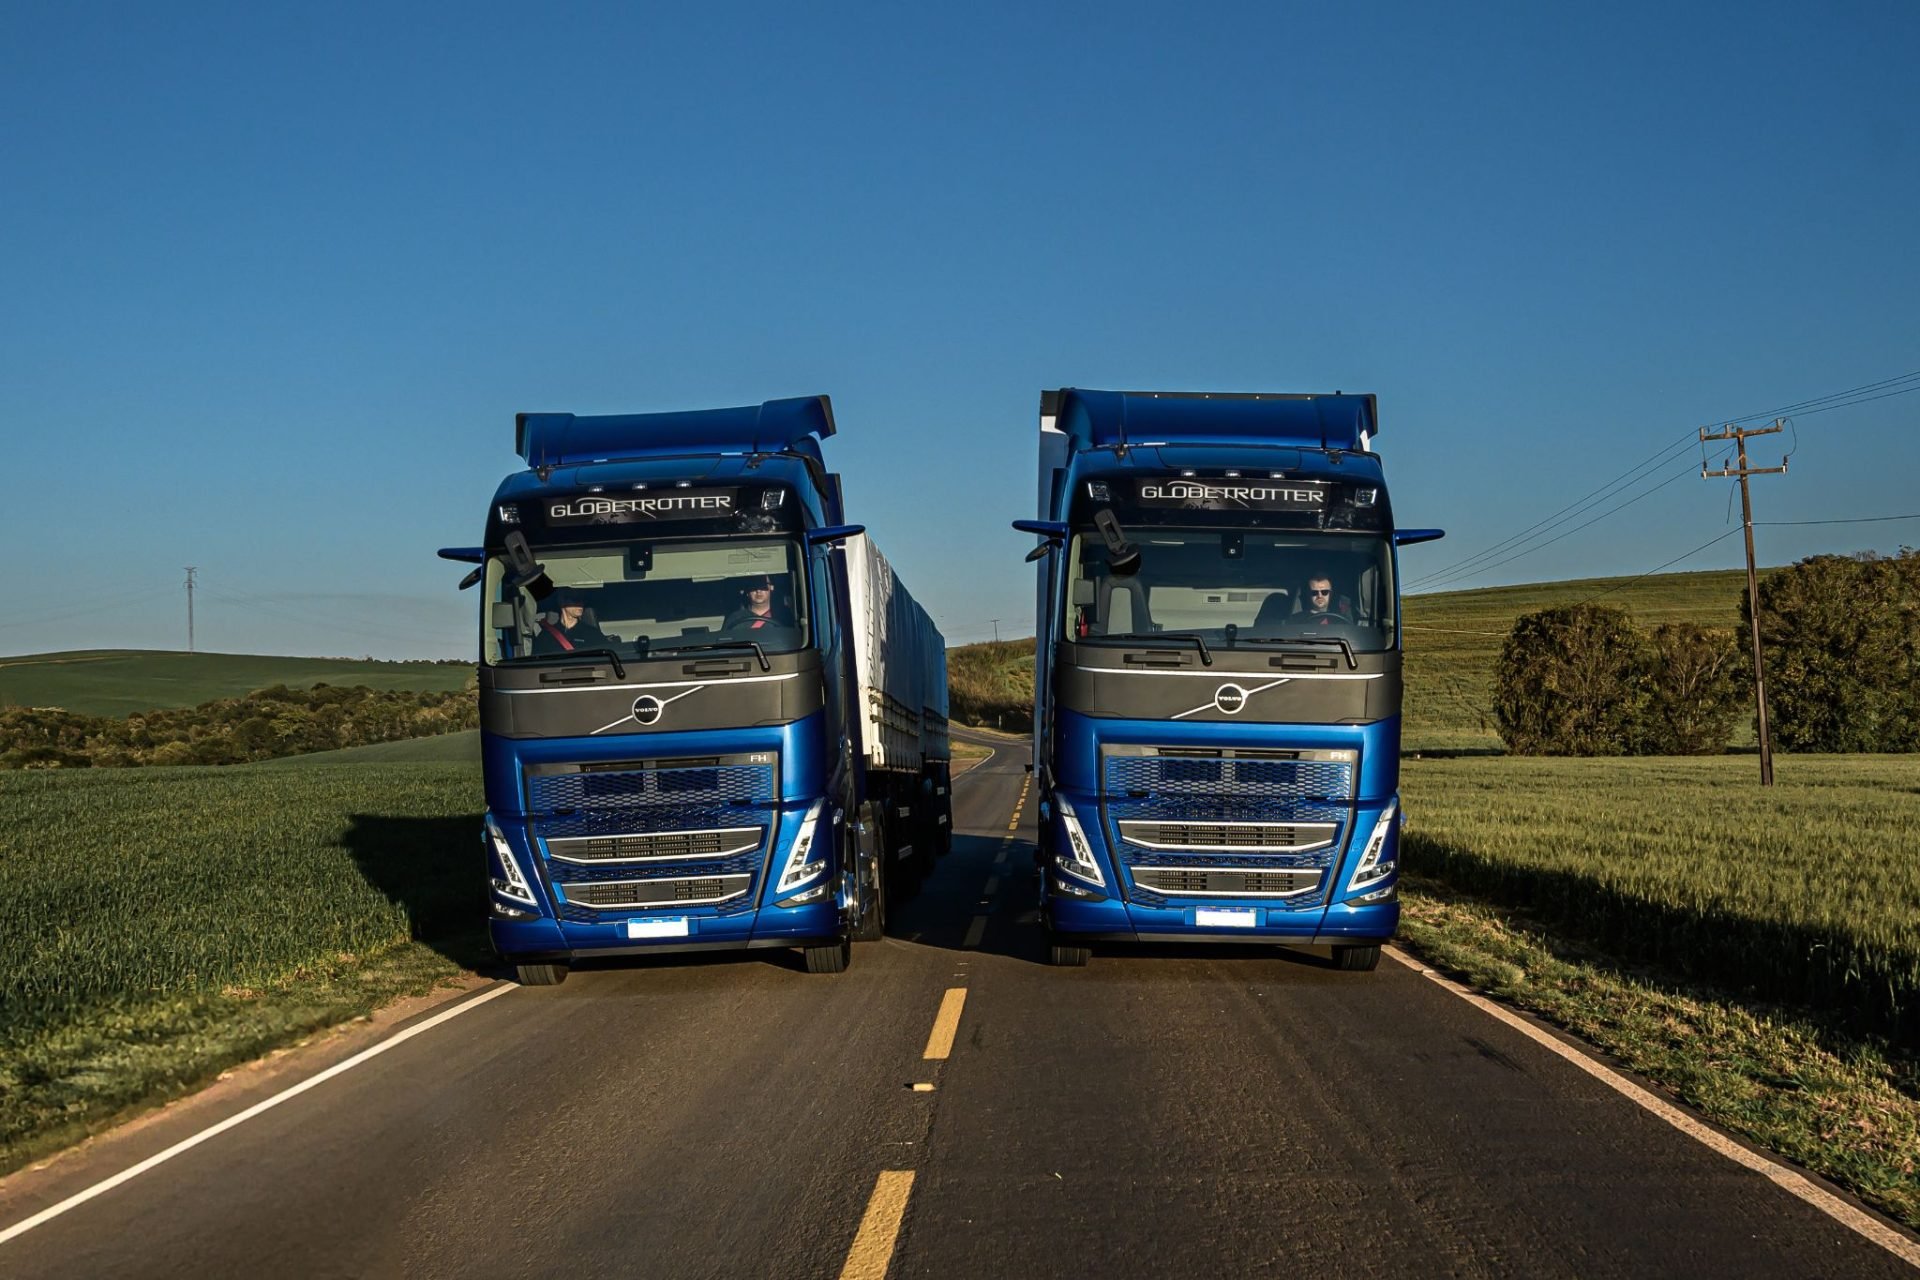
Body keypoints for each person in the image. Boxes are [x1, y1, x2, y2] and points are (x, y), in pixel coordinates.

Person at [532, 588, 611, 655]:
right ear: (562, 601)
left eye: (582, 599)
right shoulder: (546, 636)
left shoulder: (593, 634)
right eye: (575, 599)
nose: (580, 603)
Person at [723, 573, 792, 636]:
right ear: (747, 592)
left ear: (771, 588)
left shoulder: (784, 617)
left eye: (763, 586)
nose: (758, 591)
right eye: (753, 586)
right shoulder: (735, 618)